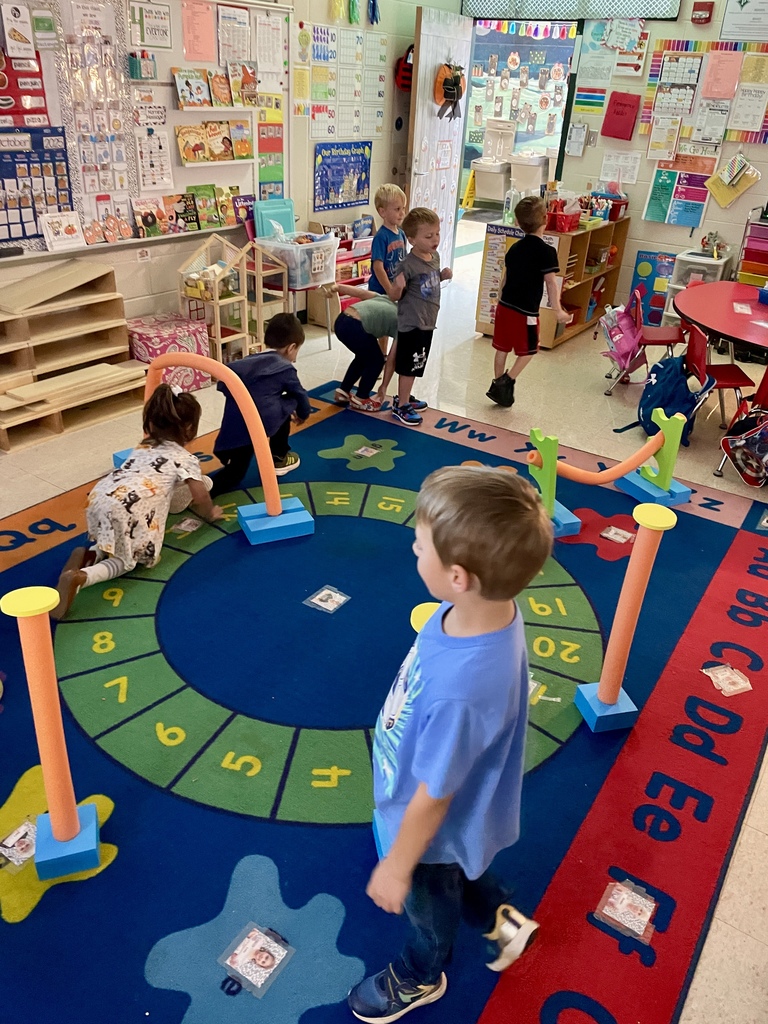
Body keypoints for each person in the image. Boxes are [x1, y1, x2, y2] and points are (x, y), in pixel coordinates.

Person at [348, 466, 554, 1023]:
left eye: (420, 548)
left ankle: (421, 973)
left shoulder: (463, 691)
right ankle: (504, 919)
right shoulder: (485, 611)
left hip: (431, 827)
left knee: (430, 894)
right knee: (468, 866)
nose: (413, 553)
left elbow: (435, 796)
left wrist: (396, 865)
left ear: (459, 576)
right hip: (455, 803)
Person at [51, 384, 223, 619]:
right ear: (190, 428)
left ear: (151, 423)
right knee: (128, 560)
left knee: (114, 531)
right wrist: (210, 512)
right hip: (129, 509)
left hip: (102, 494)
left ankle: (92, 552)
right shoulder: (184, 458)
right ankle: (82, 578)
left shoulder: (143, 446)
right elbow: (200, 493)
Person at [210, 313, 310, 498]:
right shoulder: (285, 368)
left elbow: (223, 384)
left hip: (234, 425)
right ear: (292, 347)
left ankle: (201, 489)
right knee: (290, 400)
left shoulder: (242, 364)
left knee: (235, 470)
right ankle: (279, 458)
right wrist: (304, 413)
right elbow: (300, 395)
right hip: (261, 424)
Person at [486, 195, 570, 409]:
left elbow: (506, 277)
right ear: (545, 218)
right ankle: (507, 382)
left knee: (502, 348)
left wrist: (499, 298)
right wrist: (558, 310)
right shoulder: (547, 252)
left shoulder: (515, 248)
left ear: (519, 222)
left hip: (505, 306)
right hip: (526, 313)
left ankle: (498, 384)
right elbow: (551, 283)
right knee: (530, 350)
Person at [387, 208, 452, 427]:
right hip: (412, 323)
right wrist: (398, 287)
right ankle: (401, 405)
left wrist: (441, 276)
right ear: (412, 239)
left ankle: (405, 397)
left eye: (437, 233)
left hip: (427, 322)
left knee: (417, 364)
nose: (435, 239)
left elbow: (429, 284)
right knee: (409, 365)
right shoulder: (407, 265)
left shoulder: (434, 257)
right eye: (428, 236)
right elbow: (394, 296)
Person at [328, 283, 397, 412]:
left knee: (364, 356)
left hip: (341, 320)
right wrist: (384, 386)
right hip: (355, 326)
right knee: (377, 360)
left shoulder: (384, 298)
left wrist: (338, 287)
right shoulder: (403, 323)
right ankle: (361, 397)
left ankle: (343, 390)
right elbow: (391, 360)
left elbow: (360, 292)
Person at [369, 183, 407, 299]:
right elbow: (378, 267)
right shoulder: (381, 237)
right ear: (382, 212)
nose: (402, 213)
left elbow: (404, 261)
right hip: (380, 292)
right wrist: (389, 289)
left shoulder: (401, 234)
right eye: (397, 209)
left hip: (396, 290)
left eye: (403, 208)